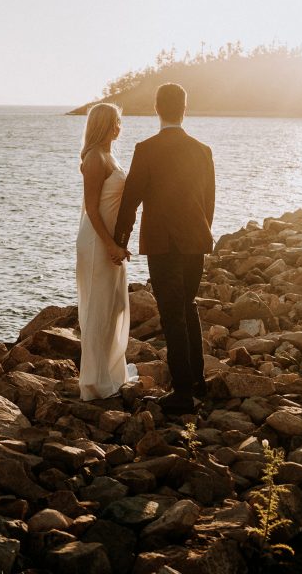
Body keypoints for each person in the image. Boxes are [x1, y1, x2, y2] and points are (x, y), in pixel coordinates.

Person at [114, 83, 215, 415]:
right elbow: (208, 202)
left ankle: (183, 393)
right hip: (194, 240)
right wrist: (201, 232)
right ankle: (197, 380)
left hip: (163, 243)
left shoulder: (147, 149)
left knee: (173, 314)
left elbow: (130, 202)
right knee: (187, 306)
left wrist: (119, 241)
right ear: (185, 109)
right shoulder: (202, 150)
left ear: (157, 109)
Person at [76, 102, 133, 401]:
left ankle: (111, 373)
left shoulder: (109, 156)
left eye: (119, 122)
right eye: (116, 121)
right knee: (99, 309)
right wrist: (110, 244)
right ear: (105, 124)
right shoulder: (95, 158)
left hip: (110, 240)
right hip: (97, 241)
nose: (119, 127)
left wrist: (120, 241)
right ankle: (94, 383)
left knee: (115, 306)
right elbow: (92, 209)